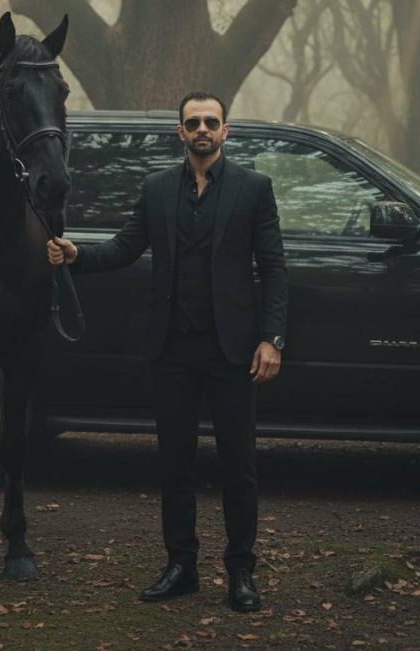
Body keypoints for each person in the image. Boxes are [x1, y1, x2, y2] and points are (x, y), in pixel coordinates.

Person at [47, 91, 287, 612]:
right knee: (175, 464)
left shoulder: (254, 189)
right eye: (193, 122)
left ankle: (241, 572)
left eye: (211, 121)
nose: (202, 129)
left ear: (226, 131)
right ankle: (181, 567)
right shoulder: (156, 189)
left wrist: (272, 338)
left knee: (238, 466)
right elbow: (126, 246)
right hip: (171, 349)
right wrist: (76, 255)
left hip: (232, 351)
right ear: (180, 132)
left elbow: (273, 268)